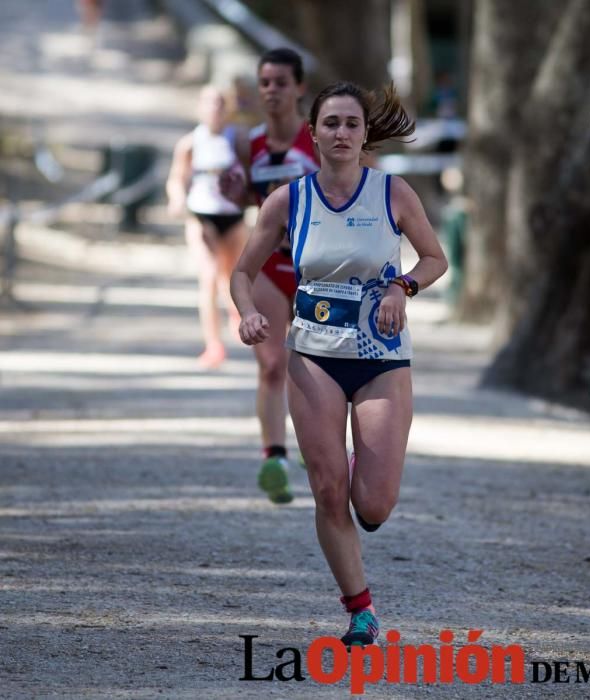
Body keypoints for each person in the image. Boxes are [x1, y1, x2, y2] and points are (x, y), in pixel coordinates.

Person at [230, 81, 448, 647]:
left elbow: (435, 257)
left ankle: (353, 461)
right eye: (331, 124)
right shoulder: (288, 200)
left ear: (365, 133)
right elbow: (241, 272)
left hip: (381, 360)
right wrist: (248, 314)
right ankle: (360, 611)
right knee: (328, 492)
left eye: (352, 124)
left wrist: (404, 285)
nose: (342, 133)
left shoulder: (392, 193)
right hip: (314, 359)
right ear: (314, 132)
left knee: (372, 505)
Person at [236, 48, 320, 504]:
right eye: (265, 81)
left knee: (313, 364)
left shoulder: (321, 138)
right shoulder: (247, 144)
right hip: (270, 264)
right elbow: (251, 202)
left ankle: (316, 444)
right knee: (271, 364)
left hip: (317, 269)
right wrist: (238, 194)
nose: (271, 90)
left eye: (281, 82)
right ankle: (275, 458)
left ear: (299, 87)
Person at [167, 85, 247, 369]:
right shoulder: (190, 144)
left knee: (232, 275)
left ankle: (235, 312)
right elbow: (176, 178)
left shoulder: (238, 139)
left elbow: (251, 171)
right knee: (210, 275)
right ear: (200, 107)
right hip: (202, 215)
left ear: (228, 109)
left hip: (233, 216)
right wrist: (177, 199)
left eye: (220, 103)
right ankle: (213, 345)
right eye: (210, 103)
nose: (215, 108)